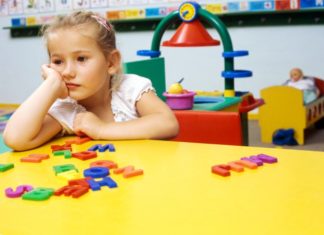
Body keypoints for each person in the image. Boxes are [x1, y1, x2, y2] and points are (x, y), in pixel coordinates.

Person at [4, 11, 179, 151]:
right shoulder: (67, 108)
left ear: (111, 62)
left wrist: (101, 129)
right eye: (58, 62)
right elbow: (15, 139)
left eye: (81, 59)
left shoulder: (130, 89)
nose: (67, 72)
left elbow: (167, 123)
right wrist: (50, 85)